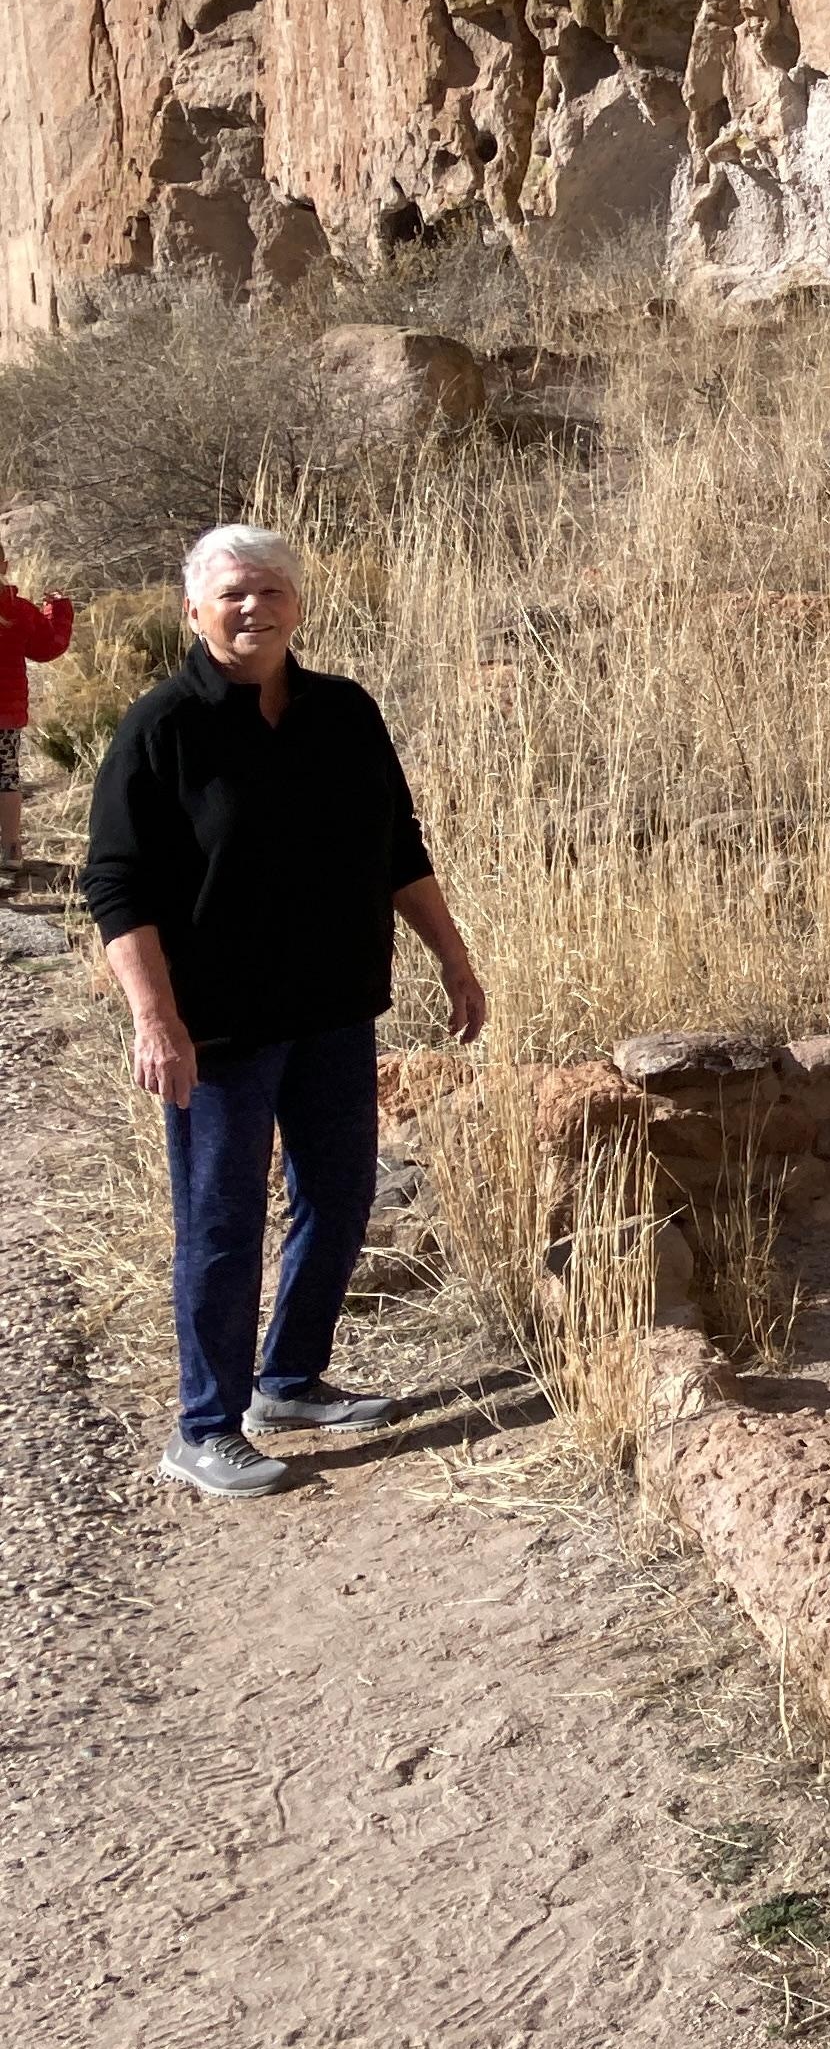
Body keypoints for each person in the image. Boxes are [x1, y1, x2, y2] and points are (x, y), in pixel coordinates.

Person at [84, 523, 487, 1498]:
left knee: (340, 1198)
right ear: (193, 611)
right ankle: (203, 1426)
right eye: (231, 595)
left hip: (337, 1008)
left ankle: (291, 1380)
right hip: (218, 1029)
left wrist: (455, 960)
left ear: (299, 606)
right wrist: (156, 1020)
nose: (252, 609)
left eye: (270, 591)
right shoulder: (159, 729)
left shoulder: (343, 713)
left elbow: (399, 848)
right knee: (220, 1222)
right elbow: (116, 887)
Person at [0, 537, 68, 888]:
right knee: (7, 778)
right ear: (5, 566)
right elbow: (48, 647)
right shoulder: (18, 611)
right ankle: (10, 850)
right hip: (5, 716)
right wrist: (57, 610)